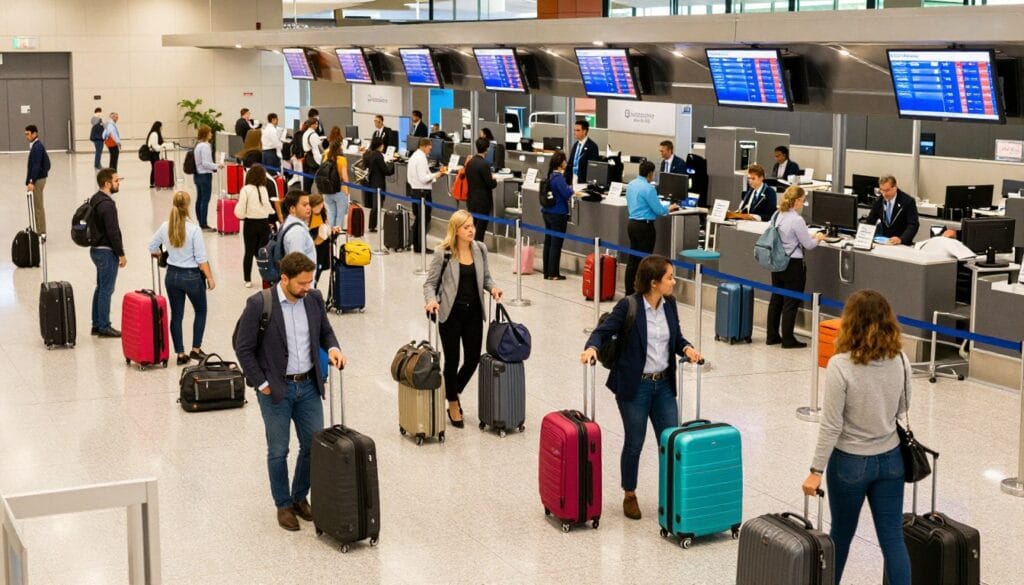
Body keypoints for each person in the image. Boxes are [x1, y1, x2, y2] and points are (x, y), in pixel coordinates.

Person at [580, 255, 703, 520]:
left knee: (670, 441)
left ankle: (672, 493)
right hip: (635, 386)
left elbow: (677, 336)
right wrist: (591, 347)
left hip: (664, 384)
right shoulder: (630, 306)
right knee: (635, 441)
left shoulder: (669, 305)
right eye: (670, 277)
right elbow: (603, 331)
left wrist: (687, 348)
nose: (674, 281)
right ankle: (630, 493)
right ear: (654, 282)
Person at [802, 289, 911, 585]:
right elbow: (903, 407)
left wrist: (815, 471)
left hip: (849, 462)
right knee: (893, 539)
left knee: (841, 535)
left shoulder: (841, 365)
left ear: (850, 322)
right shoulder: (900, 359)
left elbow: (831, 424)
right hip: (891, 459)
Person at [233, 252, 347, 532]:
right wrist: (261, 383)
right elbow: (242, 347)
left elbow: (325, 332)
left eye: (310, 282)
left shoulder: (314, 299)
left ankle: (299, 496)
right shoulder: (260, 304)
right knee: (278, 449)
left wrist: (333, 348)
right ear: (284, 279)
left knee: (313, 445)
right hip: (276, 389)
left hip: (308, 385)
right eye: (302, 283)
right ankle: (282, 504)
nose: (307, 288)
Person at [423, 210, 503, 428]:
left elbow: (485, 277)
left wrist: (493, 287)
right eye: (466, 227)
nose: (471, 230)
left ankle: (451, 391)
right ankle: (453, 402)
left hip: (474, 313)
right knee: (452, 360)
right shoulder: (444, 252)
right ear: (456, 230)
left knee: (472, 359)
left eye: (472, 226)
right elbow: (429, 284)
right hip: (450, 313)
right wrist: (431, 301)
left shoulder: (480, 249)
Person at [148, 191, 215, 366]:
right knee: (200, 311)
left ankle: (180, 353)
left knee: (176, 315)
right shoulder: (194, 229)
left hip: (172, 275)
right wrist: (210, 278)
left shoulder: (165, 226)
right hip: (192, 277)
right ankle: (196, 349)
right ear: (188, 206)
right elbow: (201, 260)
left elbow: (152, 246)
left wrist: (162, 254)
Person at [766, 186, 826, 348]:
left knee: (776, 299)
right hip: (793, 265)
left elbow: (790, 237)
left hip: (778, 261)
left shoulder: (778, 215)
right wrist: (819, 237)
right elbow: (808, 245)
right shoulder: (797, 220)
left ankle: (772, 335)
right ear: (797, 200)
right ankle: (787, 339)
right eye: (803, 200)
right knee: (791, 302)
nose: (803, 204)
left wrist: (807, 235)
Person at [624, 161, 680, 296]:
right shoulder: (649, 189)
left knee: (632, 259)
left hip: (632, 224)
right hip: (645, 226)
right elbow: (658, 209)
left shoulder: (631, 184)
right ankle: (643, 290)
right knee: (645, 261)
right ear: (650, 174)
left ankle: (629, 290)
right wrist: (669, 207)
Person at [88, 169, 126, 338]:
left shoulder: (95, 199)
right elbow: (113, 232)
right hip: (106, 252)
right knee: (106, 290)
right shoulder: (107, 205)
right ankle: (104, 326)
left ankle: (96, 324)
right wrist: (121, 254)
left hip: (95, 250)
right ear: (107, 183)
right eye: (116, 181)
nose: (119, 183)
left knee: (100, 287)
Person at [236, 165, 276, 288]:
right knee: (263, 252)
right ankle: (266, 276)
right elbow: (269, 208)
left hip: (250, 224)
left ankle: (247, 279)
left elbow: (239, 211)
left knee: (248, 252)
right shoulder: (264, 189)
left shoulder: (245, 190)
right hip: (263, 224)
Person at [407, 138, 447, 253]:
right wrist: (438, 174)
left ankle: (417, 245)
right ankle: (420, 247)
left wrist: (436, 175)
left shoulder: (415, 156)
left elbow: (425, 175)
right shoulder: (421, 158)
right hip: (422, 193)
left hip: (415, 191)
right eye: (430, 146)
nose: (431, 149)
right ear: (424, 146)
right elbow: (423, 178)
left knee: (419, 219)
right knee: (423, 219)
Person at [542, 153, 577, 281]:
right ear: (561, 162)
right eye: (565, 161)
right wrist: (573, 189)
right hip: (558, 213)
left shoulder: (550, 175)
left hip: (547, 212)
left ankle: (547, 271)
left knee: (549, 242)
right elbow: (566, 193)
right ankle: (553, 273)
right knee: (556, 243)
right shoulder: (558, 178)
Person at [864, 176, 919, 246]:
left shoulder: (907, 201)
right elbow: (870, 220)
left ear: (895, 188)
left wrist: (901, 239)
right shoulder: (879, 201)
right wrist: (863, 236)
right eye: (881, 190)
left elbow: (913, 225)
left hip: (901, 243)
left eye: (887, 190)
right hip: (885, 242)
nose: (884, 194)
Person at [464, 138, 497, 243]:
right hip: (483, 201)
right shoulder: (484, 164)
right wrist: (494, 179)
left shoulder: (470, 162)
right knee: (480, 230)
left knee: (472, 228)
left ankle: (471, 250)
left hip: (471, 199)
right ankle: (477, 252)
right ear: (486, 149)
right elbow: (491, 184)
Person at [193, 125, 223, 232]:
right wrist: (217, 165)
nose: (211, 134)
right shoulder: (205, 146)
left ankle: (200, 221)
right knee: (205, 200)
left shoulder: (197, 145)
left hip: (197, 175)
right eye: (210, 132)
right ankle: (203, 224)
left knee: (199, 199)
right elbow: (206, 163)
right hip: (205, 175)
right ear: (206, 134)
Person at [362, 137, 395, 233]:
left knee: (374, 205)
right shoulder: (378, 156)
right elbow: (386, 171)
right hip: (378, 183)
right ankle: (373, 226)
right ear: (380, 145)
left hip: (370, 182)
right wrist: (392, 164)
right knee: (377, 205)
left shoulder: (368, 154)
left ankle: (372, 225)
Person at [307, 194, 341, 284]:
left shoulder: (323, 213)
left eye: (320, 204)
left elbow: (327, 226)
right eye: (316, 205)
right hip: (313, 248)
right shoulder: (307, 216)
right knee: (313, 272)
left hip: (323, 247)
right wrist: (318, 239)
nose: (319, 207)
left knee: (319, 270)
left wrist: (332, 230)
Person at [24, 125, 50, 235]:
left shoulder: (37, 147)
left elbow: (36, 165)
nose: (26, 136)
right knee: (37, 205)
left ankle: (41, 232)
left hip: (37, 180)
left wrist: (31, 181)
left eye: (28, 134)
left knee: (38, 207)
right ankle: (39, 230)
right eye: (25, 134)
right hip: (39, 179)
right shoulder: (36, 145)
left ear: (35, 134)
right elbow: (47, 164)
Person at [321, 139, 352, 230]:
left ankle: (330, 235)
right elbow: (344, 177)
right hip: (340, 190)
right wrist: (348, 190)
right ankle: (337, 235)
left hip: (326, 190)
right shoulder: (341, 159)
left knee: (331, 213)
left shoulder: (326, 156)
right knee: (340, 214)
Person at [280, 190, 317, 264]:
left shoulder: (289, 223)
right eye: (304, 205)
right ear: (292, 209)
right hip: (302, 275)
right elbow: (297, 264)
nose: (309, 208)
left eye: (309, 204)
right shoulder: (297, 232)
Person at [567, 119, 599, 186]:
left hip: (583, 182)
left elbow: (592, 168)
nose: (575, 132)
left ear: (584, 131)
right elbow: (570, 163)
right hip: (572, 179)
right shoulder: (576, 145)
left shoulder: (592, 146)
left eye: (578, 130)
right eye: (574, 130)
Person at [145, 121, 171, 188]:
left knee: (154, 168)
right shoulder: (154, 134)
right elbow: (155, 146)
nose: (162, 128)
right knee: (154, 168)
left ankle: (154, 182)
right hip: (153, 154)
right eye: (161, 127)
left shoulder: (154, 133)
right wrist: (163, 147)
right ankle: (153, 183)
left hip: (153, 153)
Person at [301, 118, 322, 194]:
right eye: (316, 124)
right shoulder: (313, 135)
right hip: (313, 160)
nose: (317, 126)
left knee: (307, 182)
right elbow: (316, 151)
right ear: (312, 125)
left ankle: (306, 196)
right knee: (317, 182)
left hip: (307, 158)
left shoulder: (305, 133)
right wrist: (321, 162)